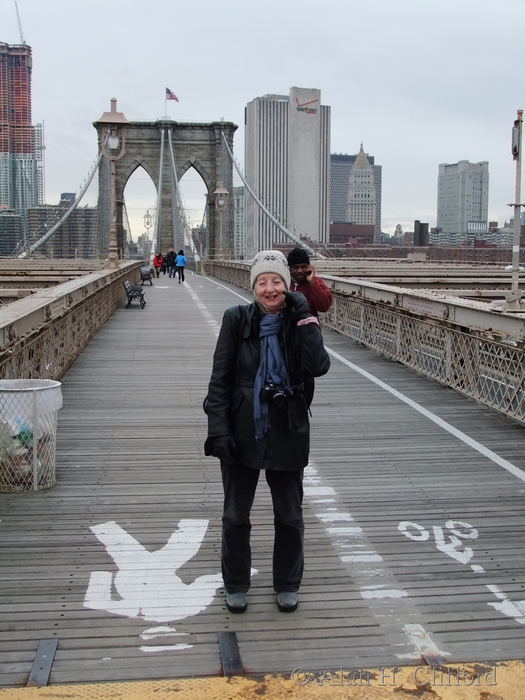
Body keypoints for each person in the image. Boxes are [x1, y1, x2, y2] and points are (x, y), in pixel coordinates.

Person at [204, 250, 330, 615]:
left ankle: (287, 583)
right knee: (235, 514)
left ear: (286, 285)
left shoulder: (299, 321)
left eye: (277, 281)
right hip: (244, 427)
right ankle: (236, 583)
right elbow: (219, 382)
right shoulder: (235, 320)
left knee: (290, 515)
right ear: (253, 287)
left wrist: (305, 315)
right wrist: (220, 432)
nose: (270, 288)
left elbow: (319, 366)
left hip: (288, 426)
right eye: (263, 282)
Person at [286, 247, 333, 318]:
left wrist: (313, 283)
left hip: (308, 327)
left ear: (309, 267)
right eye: (295, 267)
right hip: (287, 328)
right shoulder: (283, 283)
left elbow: (324, 307)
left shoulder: (316, 282)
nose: (300, 271)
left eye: (303, 267)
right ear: (290, 269)